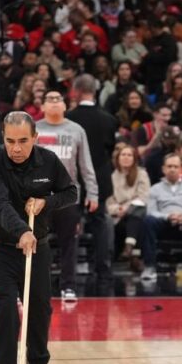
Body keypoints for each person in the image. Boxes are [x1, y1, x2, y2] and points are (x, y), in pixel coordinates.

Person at [0, 112, 78, 364]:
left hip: (39, 247)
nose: (16, 148)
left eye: (23, 141)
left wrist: (47, 202)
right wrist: (22, 230)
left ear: (35, 138)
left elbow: (70, 192)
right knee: (6, 307)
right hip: (0, 247)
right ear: (3, 138)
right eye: (10, 141)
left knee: (39, 308)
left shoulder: (48, 161)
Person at [36, 91, 99, 302]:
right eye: (49, 99)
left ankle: (68, 287)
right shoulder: (33, 129)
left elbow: (86, 165)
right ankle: (36, 288)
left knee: (69, 243)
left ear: (65, 106)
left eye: (58, 99)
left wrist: (93, 193)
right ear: (42, 106)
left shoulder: (76, 130)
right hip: (40, 195)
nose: (54, 102)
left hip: (68, 194)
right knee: (35, 242)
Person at [65, 74, 118, 289]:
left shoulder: (69, 119)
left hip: (73, 179)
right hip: (100, 178)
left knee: (70, 226)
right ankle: (103, 271)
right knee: (100, 224)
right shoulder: (109, 119)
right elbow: (109, 150)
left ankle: (69, 271)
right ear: (94, 91)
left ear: (76, 92)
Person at [140, 153, 182, 280]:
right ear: (163, 169)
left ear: (181, 169)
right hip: (164, 223)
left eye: (176, 167)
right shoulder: (155, 189)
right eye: (169, 166)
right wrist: (167, 216)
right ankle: (149, 266)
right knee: (148, 220)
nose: (172, 169)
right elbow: (151, 211)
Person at [107, 144, 151, 267]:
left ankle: (129, 248)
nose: (126, 157)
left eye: (129, 155)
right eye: (123, 155)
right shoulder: (111, 177)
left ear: (134, 158)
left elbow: (143, 196)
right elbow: (108, 201)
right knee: (135, 219)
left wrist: (127, 207)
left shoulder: (142, 174)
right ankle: (133, 253)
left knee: (138, 212)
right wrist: (118, 209)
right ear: (118, 158)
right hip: (118, 216)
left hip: (136, 211)